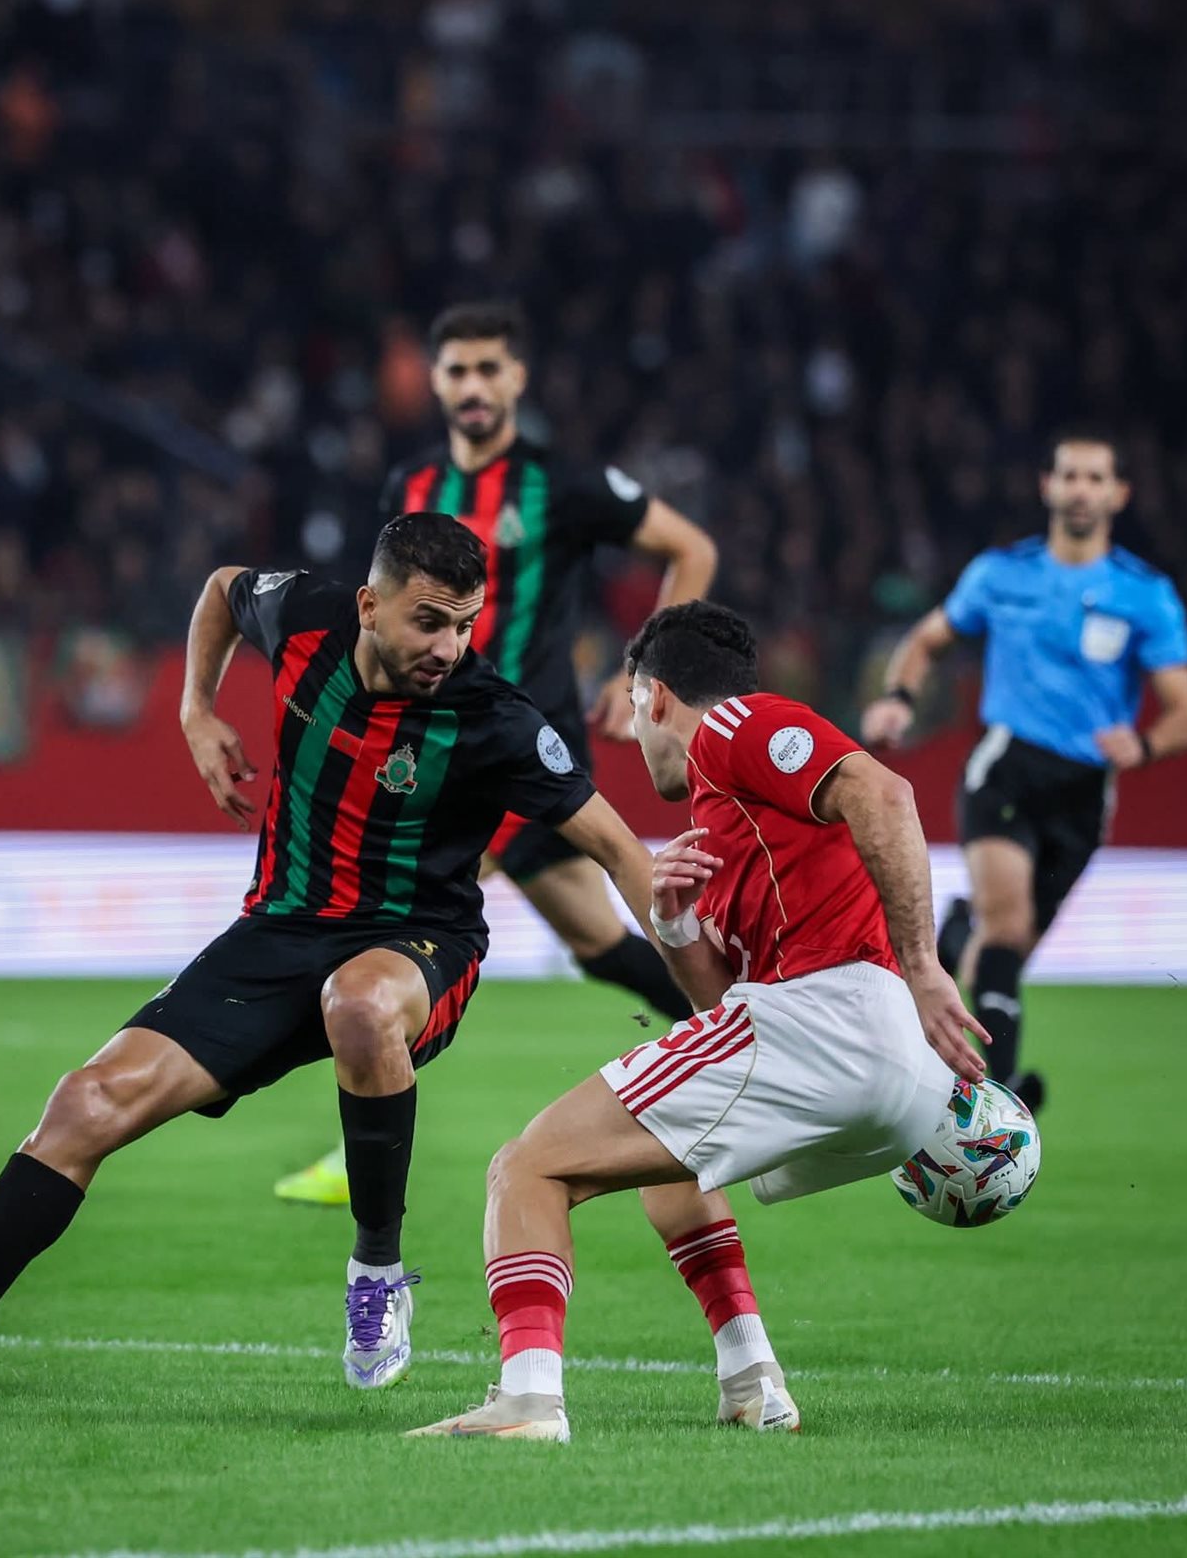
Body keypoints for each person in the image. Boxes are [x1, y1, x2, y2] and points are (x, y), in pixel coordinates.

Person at [0, 514, 670, 1394]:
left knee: (359, 1003)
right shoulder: (303, 618)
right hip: (276, 933)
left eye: (466, 623)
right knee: (87, 1100)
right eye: (430, 621)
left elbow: (619, 849)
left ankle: (376, 1271)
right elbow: (222, 588)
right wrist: (197, 708)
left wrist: (711, 995)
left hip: (418, 942)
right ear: (368, 606)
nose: (450, 647)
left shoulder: (493, 719)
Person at [408, 600, 987, 1442]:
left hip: (840, 1016)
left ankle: (527, 1401)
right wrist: (674, 919)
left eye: (633, 710)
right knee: (678, 1167)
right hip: (884, 1073)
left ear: (653, 696)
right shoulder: (732, 825)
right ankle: (753, 1379)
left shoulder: (734, 728)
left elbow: (885, 793)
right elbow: (718, 1010)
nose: (634, 738)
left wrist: (925, 966)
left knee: (525, 1169)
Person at [276, 299, 718, 1205]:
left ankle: (353, 1141)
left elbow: (691, 549)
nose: (473, 387)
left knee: (389, 914)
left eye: (489, 370)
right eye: (457, 371)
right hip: (433, 746)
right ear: (435, 382)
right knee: (598, 943)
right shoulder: (409, 484)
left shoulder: (562, 481)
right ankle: (753, 1037)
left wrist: (642, 671)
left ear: (517, 378)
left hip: (513, 747)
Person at [860, 429, 1187, 1111]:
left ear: (1119, 494)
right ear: (1047, 486)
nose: (1080, 489)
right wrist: (898, 698)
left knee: (1007, 948)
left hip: (1083, 792)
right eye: (1069, 476)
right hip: (1007, 766)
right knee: (1010, 928)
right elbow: (927, 639)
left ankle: (956, 938)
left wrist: (1147, 745)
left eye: (1095, 478)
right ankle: (997, 1090)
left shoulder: (1145, 595)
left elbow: (1185, 715)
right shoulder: (1001, 573)